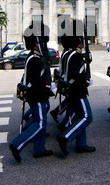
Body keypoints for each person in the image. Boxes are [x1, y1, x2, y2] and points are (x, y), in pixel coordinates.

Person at [8, 21, 54, 162]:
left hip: (37, 94)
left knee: (41, 121)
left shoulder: (35, 57)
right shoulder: (34, 59)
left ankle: (39, 149)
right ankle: (17, 144)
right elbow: (35, 81)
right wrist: (47, 87)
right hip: (37, 95)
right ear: (36, 43)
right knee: (40, 122)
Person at [56, 19, 95, 156]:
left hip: (70, 90)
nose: (83, 42)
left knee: (79, 115)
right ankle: (65, 137)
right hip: (78, 91)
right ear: (77, 41)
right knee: (87, 117)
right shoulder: (76, 56)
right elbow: (76, 75)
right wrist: (85, 81)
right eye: (81, 40)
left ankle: (81, 144)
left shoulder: (67, 54)